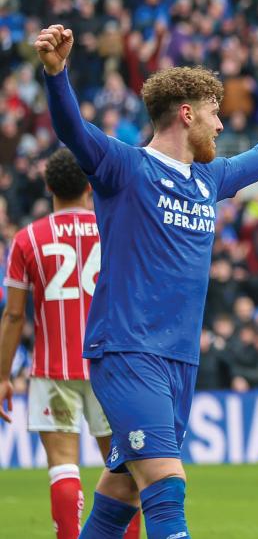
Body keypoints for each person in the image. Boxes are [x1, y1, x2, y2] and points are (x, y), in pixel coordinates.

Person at [34, 24, 258, 539]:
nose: (220, 125)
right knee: (167, 488)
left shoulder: (208, 181)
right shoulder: (126, 167)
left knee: (120, 496)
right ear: (187, 114)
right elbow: (73, 132)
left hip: (179, 361)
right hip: (129, 352)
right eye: (214, 113)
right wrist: (57, 76)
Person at [0, 148, 141, 539]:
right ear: (89, 185)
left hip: (52, 368)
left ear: (47, 186)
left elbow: (13, 315)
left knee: (62, 465)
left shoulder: (28, 238)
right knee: (122, 470)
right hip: (109, 368)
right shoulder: (112, 229)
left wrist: (1, 376)